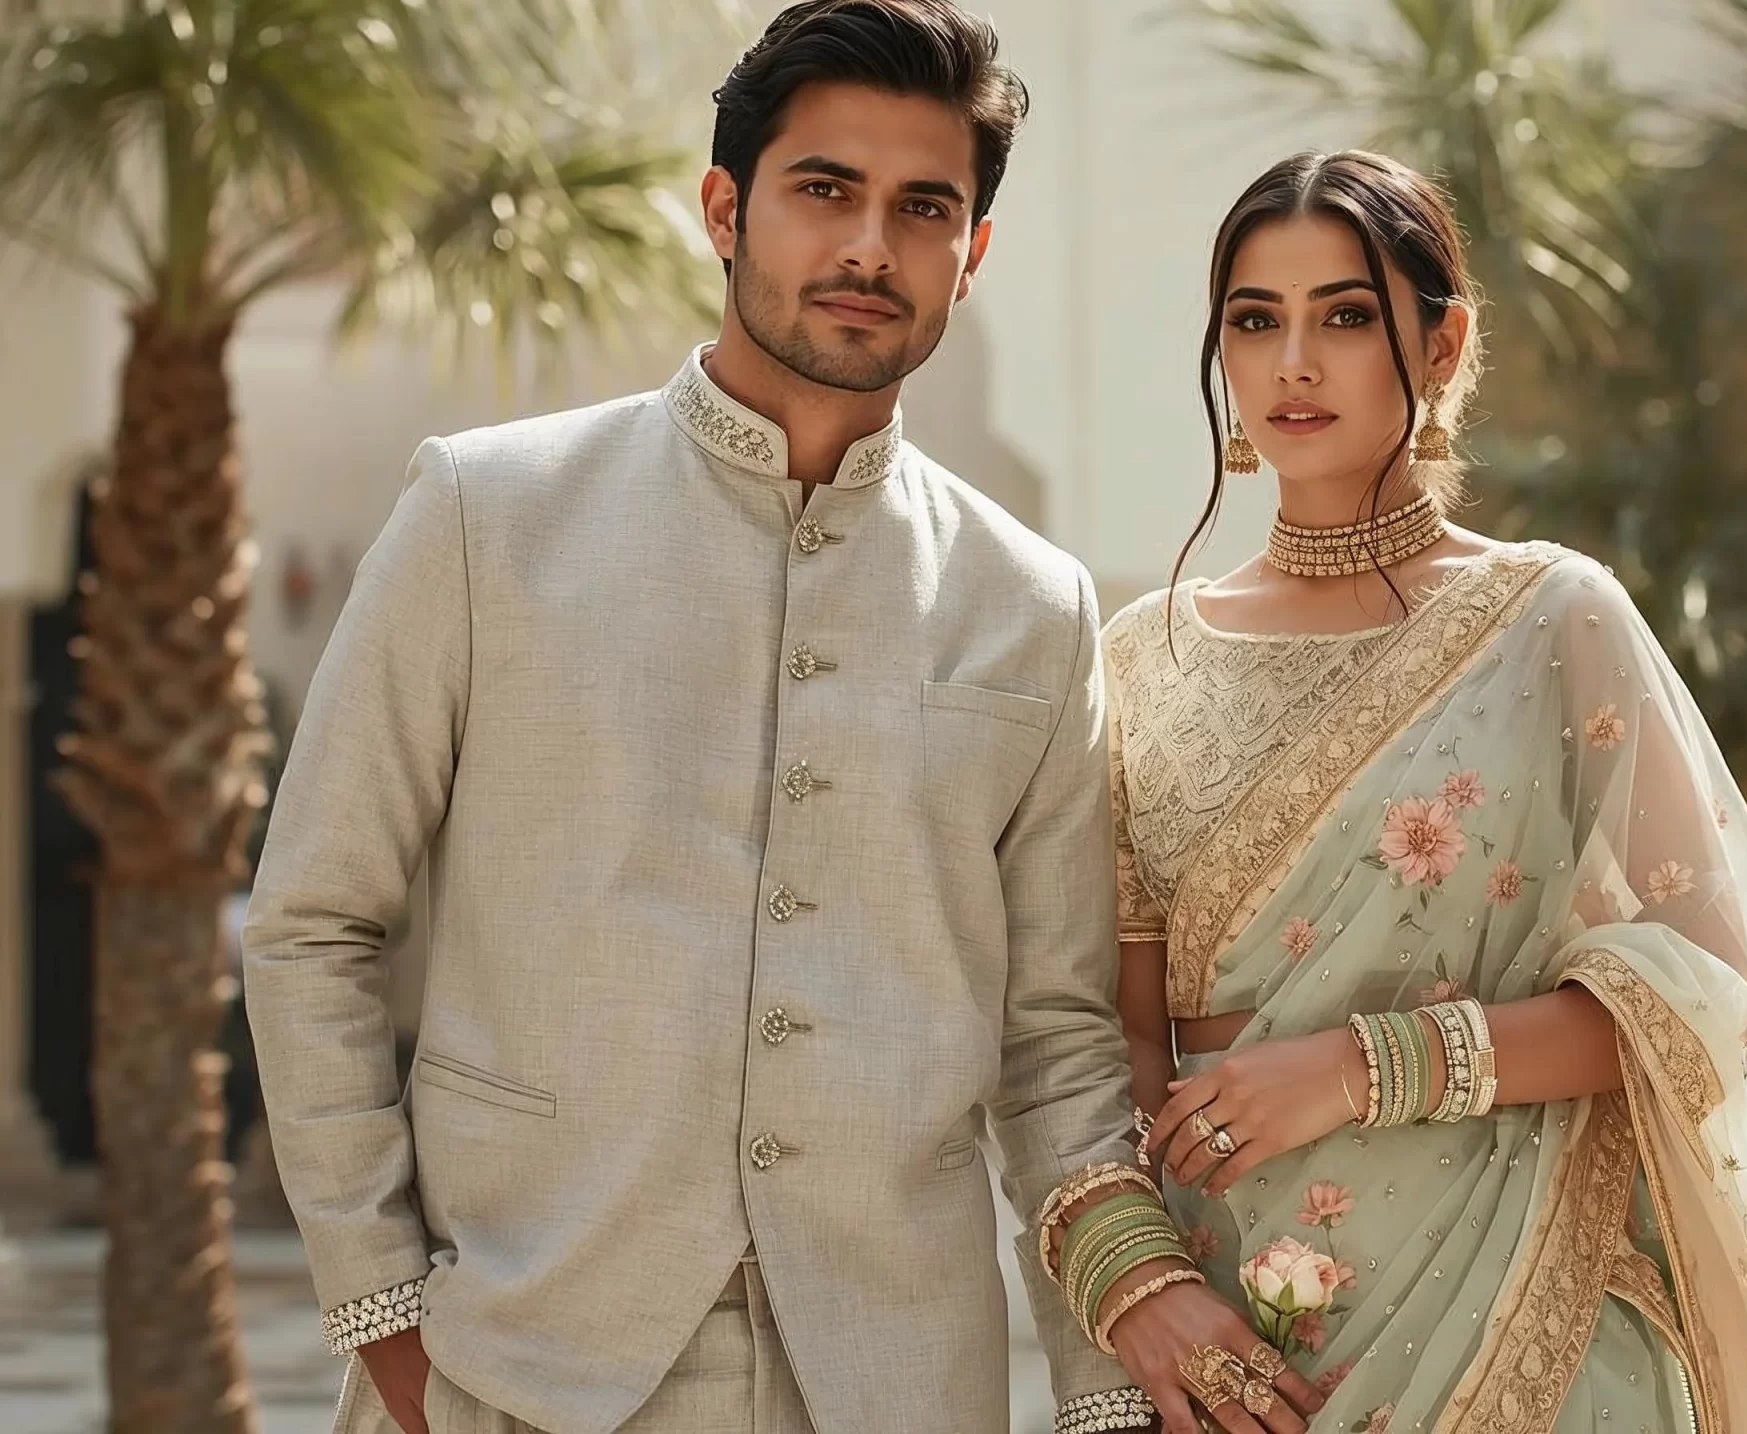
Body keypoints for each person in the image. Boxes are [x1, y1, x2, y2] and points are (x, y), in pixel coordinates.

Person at [242, 5, 1307, 1432]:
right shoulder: (484, 516)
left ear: (970, 256)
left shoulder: (1032, 603)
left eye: (923, 209)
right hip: (517, 1360)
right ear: (725, 209)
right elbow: (313, 921)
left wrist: (1105, 1379)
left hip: (891, 1380)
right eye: (825, 192)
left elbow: (1054, 1044)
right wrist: (386, 1315)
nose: (871, 247)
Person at [1106, 151, 1747, 1434]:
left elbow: (1706, 1005)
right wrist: (1147, 1288)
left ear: (1442, 344)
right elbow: (1106, 1034)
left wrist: (1366, 1064)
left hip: (1534, 1299)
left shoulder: (1550, 618)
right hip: (1242, 1334)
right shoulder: (1142, 656)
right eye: (1253, 320)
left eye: (1344, 316)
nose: (1293, 362)